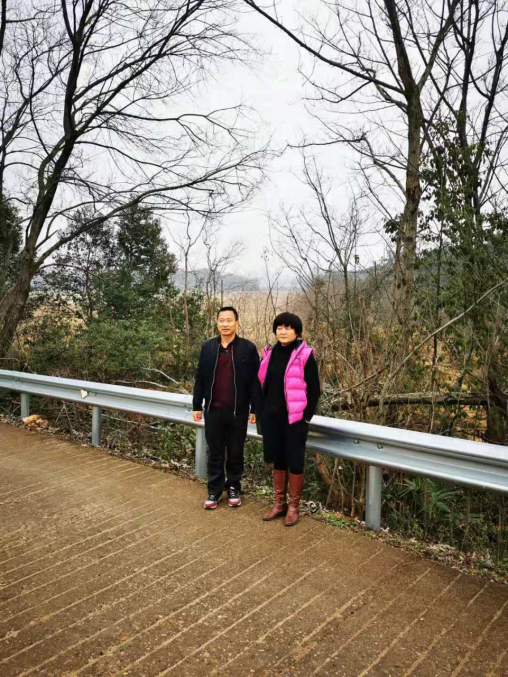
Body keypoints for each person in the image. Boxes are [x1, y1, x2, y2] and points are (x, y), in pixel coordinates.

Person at [193, 307, 260, 510]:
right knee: (215, 452)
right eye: (221, 320)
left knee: (236, 452)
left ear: (236, 323)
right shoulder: (208, 347)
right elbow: (200, 377)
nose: (225, 324)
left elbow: (255, 381)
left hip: (238, 411)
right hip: (213, 409)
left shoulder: (247, 348)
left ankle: (233, 487)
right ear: (217, 323)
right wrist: (197, 405)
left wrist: (254, 408)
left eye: (229, 320)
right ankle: (214, 490)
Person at [258, 312, 320, 526]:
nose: (283, 331)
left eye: (288, 327)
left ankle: (294, 506)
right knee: (277, 458)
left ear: (297, 332)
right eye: (279, 328)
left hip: (294, 418)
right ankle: (279, 503)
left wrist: (306, 417)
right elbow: (262, 383)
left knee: (295, 460)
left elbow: (314, 389)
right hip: (271, 416)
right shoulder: (269, 352)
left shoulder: (305, 355)